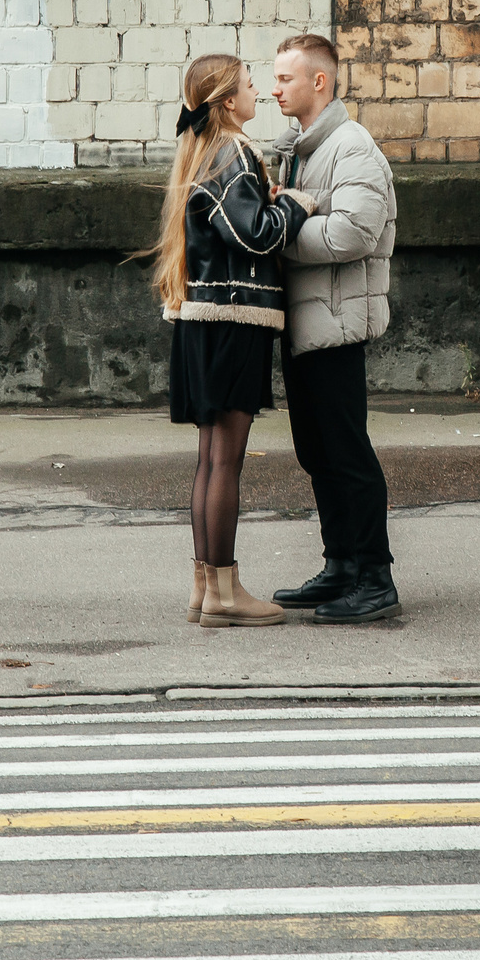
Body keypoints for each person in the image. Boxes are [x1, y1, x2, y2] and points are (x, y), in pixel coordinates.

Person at [142, 52, 318, 628]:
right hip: (233, 321)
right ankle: (225, 593)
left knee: (209, 459)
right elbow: (259, 236)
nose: (260, 93)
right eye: (248, 85)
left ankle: (205, 586)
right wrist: (292, 203)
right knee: (227, 462)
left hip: (202, 322)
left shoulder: (202, 152)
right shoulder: (234, 151)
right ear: (225, 103)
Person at [266, 32, 402, 623]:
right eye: (272, 79)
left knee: (347, 454)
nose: (274, 89)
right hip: (304, 322)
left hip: (338, 324)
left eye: (285, 79)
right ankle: (340, 566)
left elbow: (352, 234)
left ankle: (375, 579)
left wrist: (278, 232)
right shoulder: (298, 147)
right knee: (315, 450)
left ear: (318, 81)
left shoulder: (352, 147)